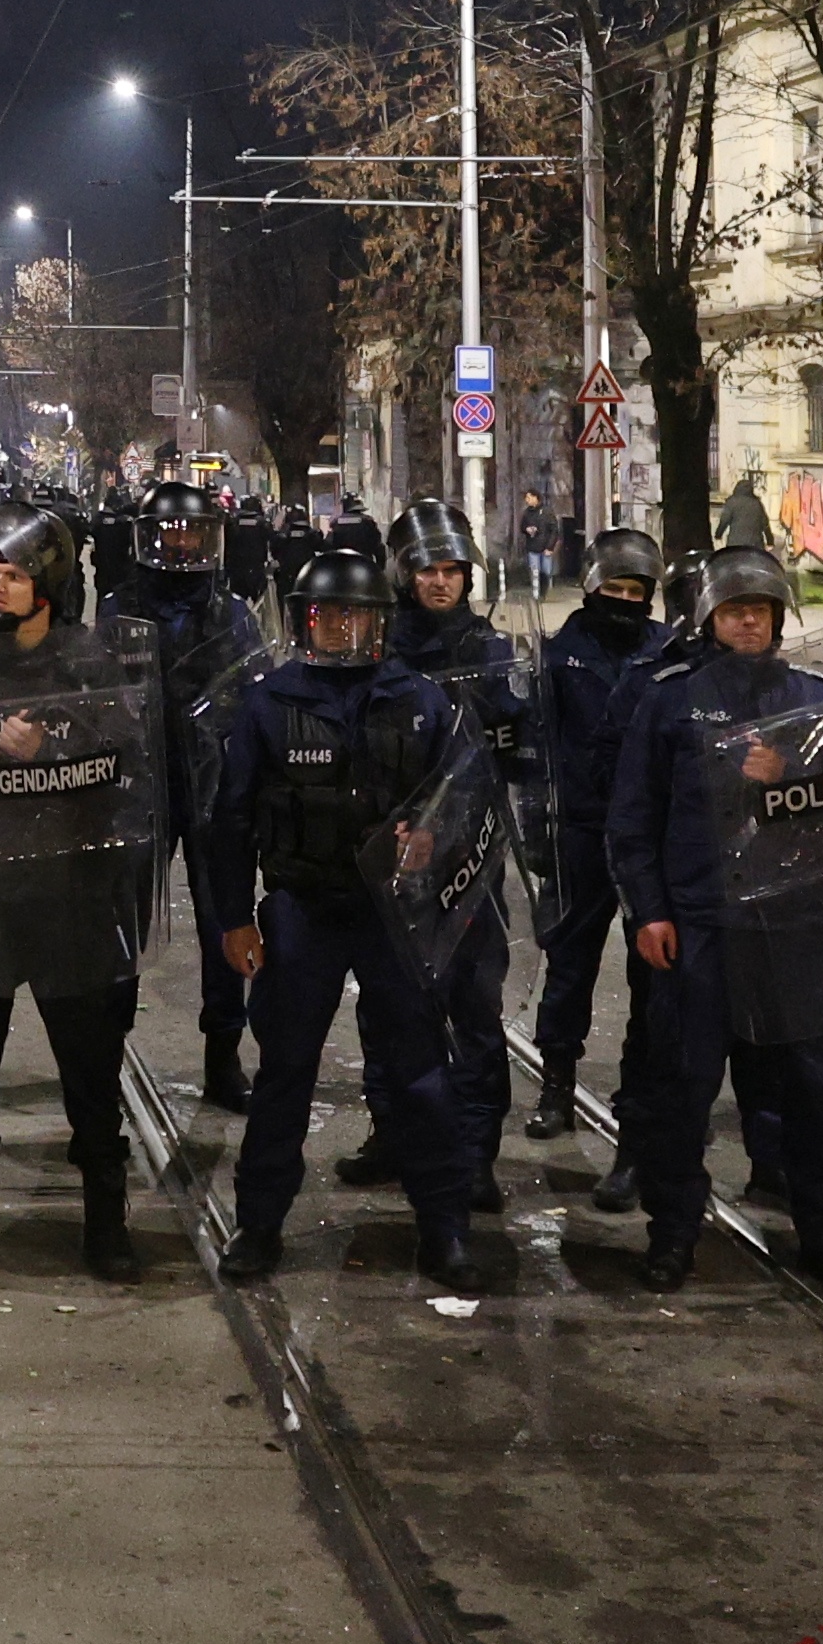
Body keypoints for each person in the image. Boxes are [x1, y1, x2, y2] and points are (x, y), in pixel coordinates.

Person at [208, 551, 491, 1296]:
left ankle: (445, 1225)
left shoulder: (422, 700)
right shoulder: (270, 703)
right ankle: (259, 1223)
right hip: (304, 910)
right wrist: (234, 919)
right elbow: (230, 820)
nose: (340, 627)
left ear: (380, 620)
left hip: (394, 915)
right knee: (284, 1073)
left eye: (355, 614)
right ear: (305, 620)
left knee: (422, 1072)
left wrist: (435, 840)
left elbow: (466, 798)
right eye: (326, 615)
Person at [604, 545, 823, 1293]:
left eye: (759, 611)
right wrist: (649, 912)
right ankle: (672, 1237)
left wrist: (790, 773)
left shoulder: (817, 699)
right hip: (700, 927)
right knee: (681, 1091)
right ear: (710, 620)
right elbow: (633, 819)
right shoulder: (669, 701)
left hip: (793, 929)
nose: (749, 623)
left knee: (809, 1095)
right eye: (734, 611)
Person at [0, 504, 155, 1280]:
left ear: (47, 580)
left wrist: (54, 746)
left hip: (72, 895)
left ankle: (106, 1222)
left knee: (90, 1071)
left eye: (10, 573)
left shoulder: (91, 662)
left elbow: (130, 764)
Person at [360, 504, 533, 1204]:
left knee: (476, 1009)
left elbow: (526, 743)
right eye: (428, 569)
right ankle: (394, 1134)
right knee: (391, 1008)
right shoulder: (378, 652)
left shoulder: (492, 651)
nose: (441, 582)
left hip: (476, 854)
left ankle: (476, 1151)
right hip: (398, 856)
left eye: (452, 570)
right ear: (404, 574)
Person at [117, 485, 271, 1111]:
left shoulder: (233, 615)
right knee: (123, 925)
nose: (181, 543)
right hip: (141, 785)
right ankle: (108, 1048)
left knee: (224, 919)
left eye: (193, 532)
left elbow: (256, 692)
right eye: (170, 531)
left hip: (212, 784)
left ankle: (223, 1056)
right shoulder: (117, 609)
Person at [529, 530, 667, 1210]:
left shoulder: (666, 652)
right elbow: (537, 745)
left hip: (645, 837)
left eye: (634, 594)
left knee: (654, 974)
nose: (622, 602)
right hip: (580, 830)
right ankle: (557, 1079)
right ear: (591, 589)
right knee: (570, 961)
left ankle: (641, 1103)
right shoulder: (560, 654)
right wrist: (538, 829)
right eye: (612, 591)